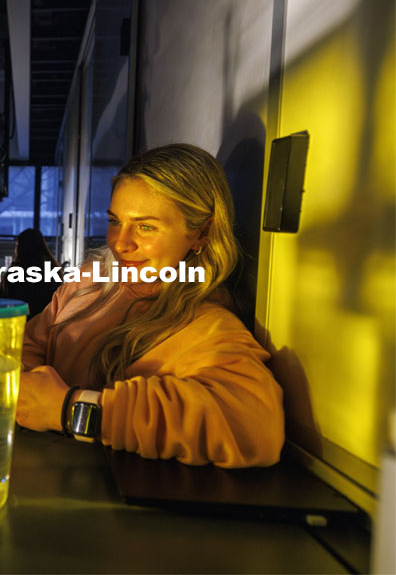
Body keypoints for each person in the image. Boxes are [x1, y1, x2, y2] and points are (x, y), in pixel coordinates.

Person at [16, 144, 284, 468]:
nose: (120, 242)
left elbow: (254, 426)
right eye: (115, 221)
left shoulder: (204, 323)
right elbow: (31, 343)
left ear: (201, 233)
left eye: (145, 226)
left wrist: (73, 409)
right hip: (39, 472)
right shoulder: (88, 279)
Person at [0, 228, 62, 316]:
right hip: (48, 322)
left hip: (21, 322)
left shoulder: (16, 271)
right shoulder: (52, 268)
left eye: (17, 245)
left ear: (20, 247)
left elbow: (2, 300)